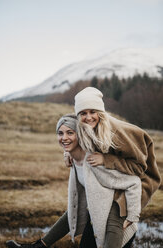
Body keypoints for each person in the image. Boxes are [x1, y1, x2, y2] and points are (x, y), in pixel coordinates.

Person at [6, 114, 143, 248]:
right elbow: (75, 208)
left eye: (70, 133)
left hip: (118, 225)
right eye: (60, 133)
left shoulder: (94, 162)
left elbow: (133, 182)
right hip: (96, 219)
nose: (64, 138)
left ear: (79, 135)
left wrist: (132, 217)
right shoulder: (76, 162)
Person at [64, 86, 161, 246]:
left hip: (141, 181)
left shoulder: (118, 132)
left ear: (100, 112)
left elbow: (139, 169)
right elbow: (77, 140)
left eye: (92, 111)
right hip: (117, 181)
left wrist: (106, 160)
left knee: (114, 225)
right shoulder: (88, 128)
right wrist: (68, 153)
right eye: (83, 113)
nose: (88, 117)